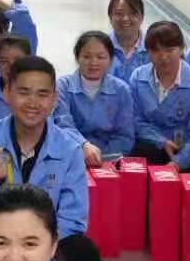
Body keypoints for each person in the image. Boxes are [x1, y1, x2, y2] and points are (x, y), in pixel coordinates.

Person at [0, 57, 100, 261]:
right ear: (7, 93)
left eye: (42, 94)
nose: (33, 102)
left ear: (54, 99)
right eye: (24, 92)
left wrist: (35, 249)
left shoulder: (69, 148)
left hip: (51, 248)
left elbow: (74, 218)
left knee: (84, 252)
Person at [129, 20, 190, 169]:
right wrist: (160, 141)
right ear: (147, 52)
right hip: (149, 148)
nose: (163, 57)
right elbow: (135, 119)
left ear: (181, 48)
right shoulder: (138, 77)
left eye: (170, 50)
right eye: (156, 51)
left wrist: (179, 162)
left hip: (187, 154)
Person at [55, 30, 136, 166]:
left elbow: (124, 136)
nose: (93, 62)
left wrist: (101, 158)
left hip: (109, 160)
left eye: (100, 57)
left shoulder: (121, 90)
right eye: (87, 56)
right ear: (77, 58)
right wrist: (83, 146)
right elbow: (62, 125)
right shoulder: (62, 86)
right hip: (69, 157)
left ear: (110, 59)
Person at [107, 0, 149, 83]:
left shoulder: (153, 47)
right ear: (110, 17)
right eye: (119, 13)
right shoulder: (100, 47)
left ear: (142, 17)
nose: (125, 19)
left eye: (133, 13)